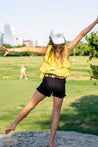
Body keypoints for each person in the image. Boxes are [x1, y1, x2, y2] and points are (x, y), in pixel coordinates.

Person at [0, 17, 98, 147]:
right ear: (62, 39)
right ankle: (51, 142)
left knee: (30, 105)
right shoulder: (68, 49)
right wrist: (96, 21)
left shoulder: (47, 49)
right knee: (56, 113)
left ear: (51, 38)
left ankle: (13, 124)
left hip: (48, 80)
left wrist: (11, 50)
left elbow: (28, 50)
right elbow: (82, 33)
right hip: (60, 83)